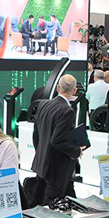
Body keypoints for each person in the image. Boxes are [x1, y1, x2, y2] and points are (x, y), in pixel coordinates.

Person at [32, 74, 84, 204]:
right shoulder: (67, 111)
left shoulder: (43, 104)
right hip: (57, 167)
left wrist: (41, 152)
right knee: (52, 203)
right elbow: (57, 141)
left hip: (43, 162)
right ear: (74, 91)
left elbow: (36, 134)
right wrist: (76, 151)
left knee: (56, 199)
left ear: (58, 88)